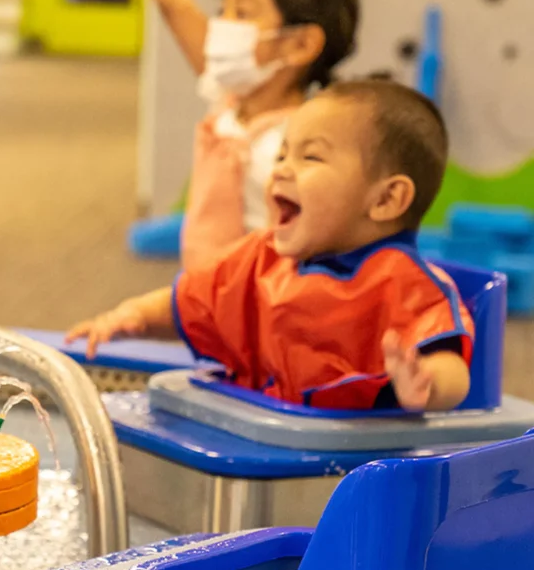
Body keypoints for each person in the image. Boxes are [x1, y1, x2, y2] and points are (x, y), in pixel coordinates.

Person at [67, 80, 473, 414]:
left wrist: (426, 384)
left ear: (385, 200)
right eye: (282, 153)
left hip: (344, 469)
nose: (281, 168)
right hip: (260, 439)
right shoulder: (262, 258)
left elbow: (450, 365)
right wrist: (134, 315)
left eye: (310, 156)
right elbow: (192, 304)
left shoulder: (402, 283)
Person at [137, 0, 359, 269]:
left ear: (300, 44)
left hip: (261, 304)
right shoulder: (228, 98)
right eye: (222, 9)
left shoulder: (302, 142)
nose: (222, 26)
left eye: (242, 14)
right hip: (204, 294)